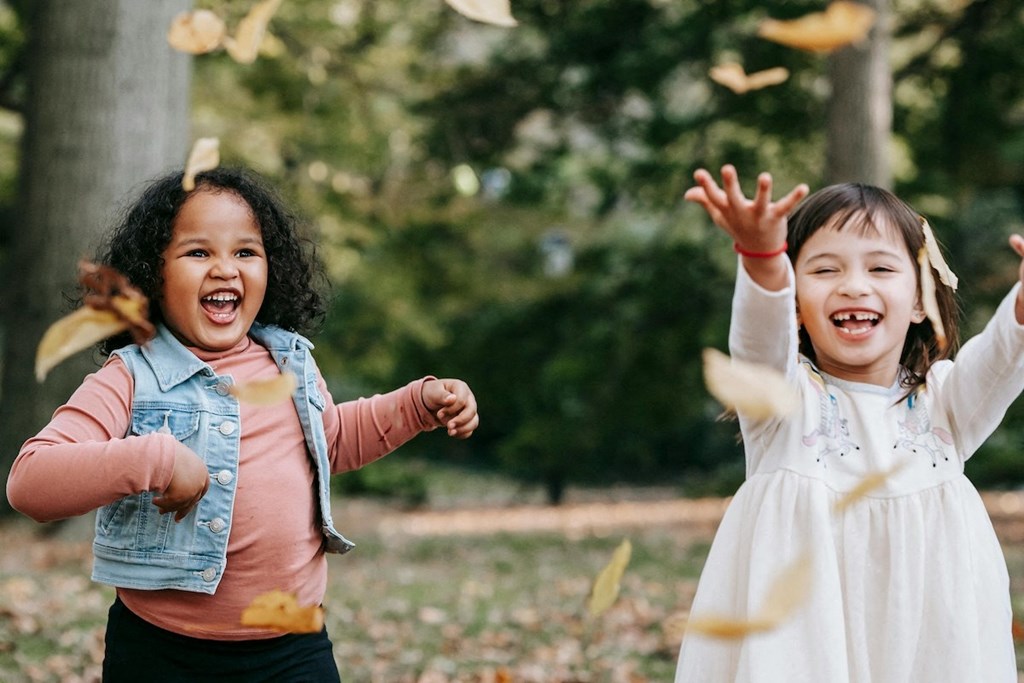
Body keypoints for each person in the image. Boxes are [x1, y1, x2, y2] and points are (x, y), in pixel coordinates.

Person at [6, 167, 480, 682]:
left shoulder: (290, 363)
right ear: (152, 273)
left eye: (245, 252)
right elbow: (31, 481)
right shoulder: (131, 377)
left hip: (293, 649)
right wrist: (156, 458)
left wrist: (416, 405)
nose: (225, 269)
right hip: (163, 653)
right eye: (199, 252)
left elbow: (332, 441)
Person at [675, 164, 1024, 682]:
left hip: (928, 641)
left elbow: (1000, 357)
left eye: (881, 269)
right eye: (824, 270)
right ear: (794, 305)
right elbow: (756, 339)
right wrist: (763, 258)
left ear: (918, 302)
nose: (854, 286)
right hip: (801, 642)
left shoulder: (947, 401)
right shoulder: (783, 402)